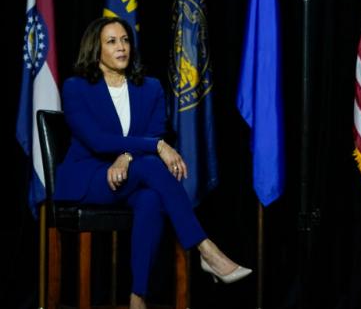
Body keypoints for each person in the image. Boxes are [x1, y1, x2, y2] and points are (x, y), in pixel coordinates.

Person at [54, 17, 251, 309]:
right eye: (112, 41)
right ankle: (206, 248)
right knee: (152, 165)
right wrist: (156, 146)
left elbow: (155, 130)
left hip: (130, 177)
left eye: (125, 40)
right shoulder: (76, 88)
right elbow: (97, 141)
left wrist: (127, 156)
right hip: (89, 178)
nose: (122, 47)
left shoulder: (150, 88)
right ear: (95, 49)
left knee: (151, 198)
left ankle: (138, 296)